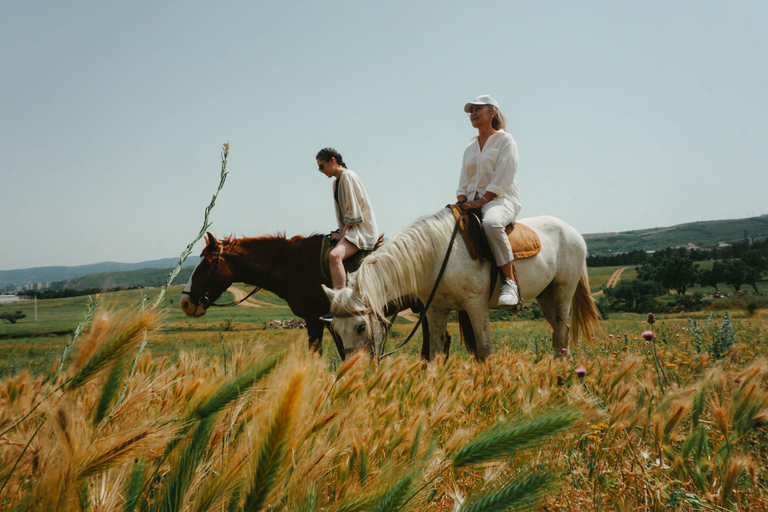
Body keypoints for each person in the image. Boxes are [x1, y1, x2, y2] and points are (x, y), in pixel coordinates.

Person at [456, 95, 522, 306]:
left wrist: (483, 200)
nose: (473, 114)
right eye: (471, 111)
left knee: (491, 224)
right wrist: (461, 200)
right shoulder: (470, 147)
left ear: (492, 112)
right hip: (472, 202)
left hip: (500, 200)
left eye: (478, 109)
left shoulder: (505, 140)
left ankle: (510, 283)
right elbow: (463, 181)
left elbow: (504, 175)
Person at [316, 147, 379, 320]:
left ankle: (339, 303)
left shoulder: (348, 176)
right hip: (351, 228)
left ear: (332, 161)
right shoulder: (336, 182)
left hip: (361, 230)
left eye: (322, 166)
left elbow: (353, 211)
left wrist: (342, 235)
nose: (321, 171)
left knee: (334, 256)